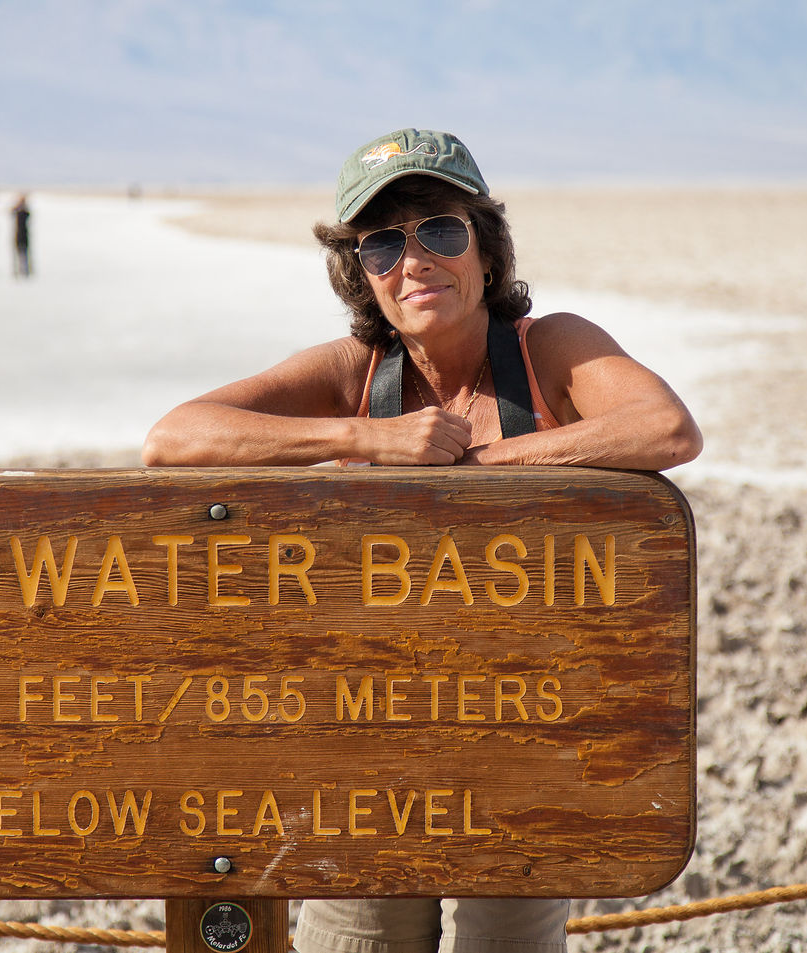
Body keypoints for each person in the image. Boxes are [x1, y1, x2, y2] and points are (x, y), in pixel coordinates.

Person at [142, 128, 703, 953]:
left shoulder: (549, 349)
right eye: (381, 244)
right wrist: (371, 441)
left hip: (523, 733)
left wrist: (480, 465)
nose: (415, 260)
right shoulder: (355, 372)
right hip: (371, 740)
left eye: (441, 229)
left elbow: (666, 426)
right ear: (358, 272)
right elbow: (173, 437)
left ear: (485, 247)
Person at [12, 192, 32, 278]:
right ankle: (17, 270)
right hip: (19, 233)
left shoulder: (25, 211)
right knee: (18, 253)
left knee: (24, 254)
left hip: (24, 234)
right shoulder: (17, 210)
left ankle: (25, 271)